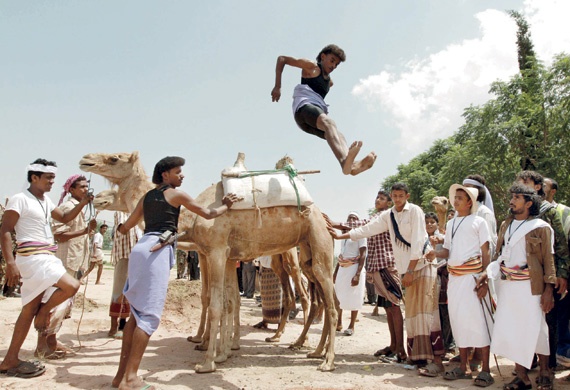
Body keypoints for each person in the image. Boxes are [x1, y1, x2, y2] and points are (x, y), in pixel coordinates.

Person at [111, 156, 239, 390]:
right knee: (148, 318)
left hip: (141, 249)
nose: (182, 175)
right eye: (178, 172)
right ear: (165, 175)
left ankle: (121, 376)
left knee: (136, 316)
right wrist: (226, 205)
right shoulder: (176, 195)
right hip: (156, 252)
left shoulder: (146, 197)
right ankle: (131, 380)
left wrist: (116, 227)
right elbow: (208, 214)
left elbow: (125, 227)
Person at [328, 183, 444, 376]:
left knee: (427, 313)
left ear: (407, 196)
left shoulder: (415, 211)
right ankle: (419, 358)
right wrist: (341, 237)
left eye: (400, 196)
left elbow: (416, 242)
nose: (398, 199)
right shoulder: (388, 215)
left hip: (420, 266)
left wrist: (409, 271)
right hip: (407, 269)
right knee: (414, 315)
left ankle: (437, 361)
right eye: (395, 195)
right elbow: (366, 229)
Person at [0, 158, 91, 378]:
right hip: (32, 257)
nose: (52, 182)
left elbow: (65, 217)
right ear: (34, 177)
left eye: (53, 177)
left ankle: (10, 360)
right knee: (71, 285)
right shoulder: (19, 200)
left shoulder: (45, 201)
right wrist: (10, 264)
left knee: (28, 310)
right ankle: (43, 315)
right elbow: (5, 230)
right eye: (48, 178)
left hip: (45, 255)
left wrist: (83, 202)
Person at [475, 183, 556, 389]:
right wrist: (487, 273)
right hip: (508, 286)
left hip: (532, 287)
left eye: (517, 197)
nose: (512, 200)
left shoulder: (541, 227)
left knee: (538, 329)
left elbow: (548, 260)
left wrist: (548, 290)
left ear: (529, 203)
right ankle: (521, 375)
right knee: (514, 329)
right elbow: (499, 255)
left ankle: (545, 372)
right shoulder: (506, 225)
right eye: (512, 196)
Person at [271, 44, 376, 176]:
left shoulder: (329, 83)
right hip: (304, 108)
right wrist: (277, 86)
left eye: (336, 65)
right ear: (323, 56)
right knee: (330, 123)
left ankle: (352, 166)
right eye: (332, 61)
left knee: (338, 134)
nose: (333, 66)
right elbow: (282, 59)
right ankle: (345, 162)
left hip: (309, 122)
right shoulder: (312, 67)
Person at [327, 190, 406, 360]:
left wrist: (335, 225)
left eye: (383, 198)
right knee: (388, 308)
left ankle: (401, 350)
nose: (378, 200)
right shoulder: (378, 216)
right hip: (378, 266)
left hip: (387, 265)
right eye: (377, 197)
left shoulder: (386, 215)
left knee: (394, 306)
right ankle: (393, 346)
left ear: (389, 202)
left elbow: (362, 226)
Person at [432, 185, 493, 387]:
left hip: (473, 278)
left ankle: (485, 370)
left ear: (470, 203)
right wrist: (434, 252)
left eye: (460, 198)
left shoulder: (479, 222)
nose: (456, 201)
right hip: (455, 278)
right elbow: (448, 251)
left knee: (479, 322)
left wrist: (485, 277)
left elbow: (486, 252)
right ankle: (464, 367)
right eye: (455, 197)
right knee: (459, 322)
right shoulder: (451, 224)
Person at [36, 174, 97, 359]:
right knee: (54, 303)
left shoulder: (80, 208)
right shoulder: (67, 207)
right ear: (71, 190)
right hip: (65, 262)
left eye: (87, 187)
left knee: (64, 305)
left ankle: (52, 341)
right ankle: (42, 346)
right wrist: (85, 230)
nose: (86, 190)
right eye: (82, 187)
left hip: (76, 261)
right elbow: (59, 236)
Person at [516, 170, 569, 373]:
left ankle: (550, 365)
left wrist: (561, 275)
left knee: (549, 320)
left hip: (548, 274)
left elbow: (561, 247)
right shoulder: (519, 214)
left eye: (526, 182)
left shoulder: (549, 212)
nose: (521, 185)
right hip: (523, 277)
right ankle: (527, 360)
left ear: (537, 187)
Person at [543, 177, 570, 370]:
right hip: (542, 273)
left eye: (544, 186)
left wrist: (563, 272)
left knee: (561, 315)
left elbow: (563, 244)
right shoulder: (530, 211)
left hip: (560, 270)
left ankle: (561, 354)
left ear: (553, 191)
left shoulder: (563, 211)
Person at [425, 212, 455, 356]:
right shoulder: (422, 238)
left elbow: (448, 254)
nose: (429, 224)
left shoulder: (442, 238)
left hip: (442, 276)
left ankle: (449, 345)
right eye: (427, 222)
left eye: (432, 222)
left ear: (437, 224)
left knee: (445, 311)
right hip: (427, 277)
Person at [333, 212, 367, 336]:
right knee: (339, 295)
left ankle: (352, 325)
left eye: (354, 218)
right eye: (349, 218)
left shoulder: (361, 235)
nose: (351, 220)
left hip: (355, 268)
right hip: (343, 268)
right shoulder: (344, 237)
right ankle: (339, 322)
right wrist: (335, 272)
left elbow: (363, 255)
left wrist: (357, 274)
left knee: (355, 296)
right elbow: (341, 256)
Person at [108, 211, 139, 339]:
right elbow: (123, 229)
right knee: (119, 291)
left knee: (130, 292)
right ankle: (114, 327)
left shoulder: (139, 213)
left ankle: (123, 325)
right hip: (124, 256)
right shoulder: (123, 212)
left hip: (136, 256)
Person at [462, 175, 497, 255]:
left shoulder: (484, 212)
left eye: (468, 187)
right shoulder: (460, 212)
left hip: (477, 263)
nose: (464, 191)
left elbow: (488, 244)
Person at [253, 255, 283, 329]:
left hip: (277, 267)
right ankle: (265, 320)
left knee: (278, 295)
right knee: (265, 295)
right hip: (264, 267)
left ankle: (281, 324)